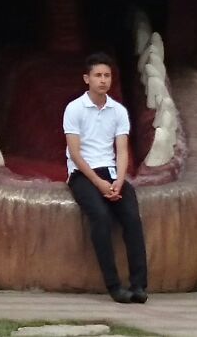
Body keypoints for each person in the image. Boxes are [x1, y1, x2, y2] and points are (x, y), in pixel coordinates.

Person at [63, 52, 148, 303]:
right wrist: (99, 184)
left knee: (132, 218)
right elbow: (75, 153)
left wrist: (119, 180)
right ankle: (114, 285)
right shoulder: (74, 109)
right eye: (98, 75)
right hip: (82, 174)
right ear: (86, 79)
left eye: (107, 76)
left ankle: (139, 285)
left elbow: (121, 150)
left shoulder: (118, 111)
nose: (103, 80)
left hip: (111, 172)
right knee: (100, 217)